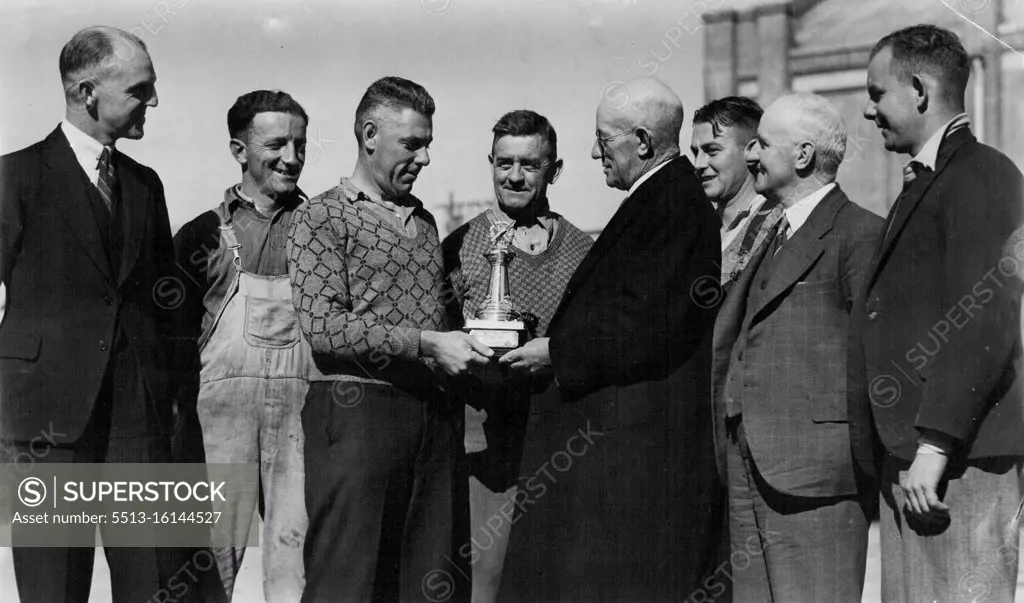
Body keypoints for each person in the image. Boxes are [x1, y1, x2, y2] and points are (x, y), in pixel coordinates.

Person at [498, 77, 722, 602]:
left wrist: (554, 352)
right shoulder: (663, 199)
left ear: (641, 143)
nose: (594, 151)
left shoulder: (672, 205)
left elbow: (648, 323)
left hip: (635, 455)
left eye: (603, 137)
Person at [0, 26, 201, 602]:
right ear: (88, 93)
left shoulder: (145, 186)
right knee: (54, 588)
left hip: (138, 423)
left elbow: (168, 306)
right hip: (46, 425)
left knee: (151, 583)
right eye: (141, 89)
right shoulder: (13, 177)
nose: (154, 101)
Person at [289, 76, 491, 603]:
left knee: (432, 584)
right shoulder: (321, 216)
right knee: (349, 584)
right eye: (412, 144)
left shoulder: (425, 223)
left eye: (428, 144)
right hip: (356, 413)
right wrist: (427, 343)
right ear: (370, 134)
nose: (424, 158)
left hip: (433, 419)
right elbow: (324, 326)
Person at [850, 24, 1024, 603]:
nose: (869, 111)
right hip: (918, 457)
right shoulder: (925, 182)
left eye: (877, 94)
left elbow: (986, 318)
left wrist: (935, 447)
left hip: (956, 461)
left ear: (920, 91)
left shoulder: (983, 175)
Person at [712, 92, 883, 602]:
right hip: (748, 467)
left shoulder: (860, 234)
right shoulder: (769, 232)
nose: (748, 155)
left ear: (804, 155)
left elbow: (875, 358)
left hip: (815, 477)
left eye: (762, 144)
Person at [441, 109, 593, 603]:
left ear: (555, 169)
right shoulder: (460, 246)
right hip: (481, 438)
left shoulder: (582, 249)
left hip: (556, 437)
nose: (514, 176)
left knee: (548, 577)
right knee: (487, 579)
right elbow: (433, 336)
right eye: (503, 163)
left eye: (530, 164)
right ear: (490, 163)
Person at [173, 90, 312, 602]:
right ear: (239, 149)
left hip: (301, 421)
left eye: (300, 143)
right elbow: (172, 344)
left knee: (295, 567)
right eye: (277, 144)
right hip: (218, 427)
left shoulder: (322, 229)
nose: (292, 157)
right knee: (210, 566)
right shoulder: (201, 235)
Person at [691, 96, 782, 293]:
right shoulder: (695, 228)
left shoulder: (781, 224)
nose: (698, 164)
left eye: (712, 151)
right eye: (695, 152)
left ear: (752, 150)